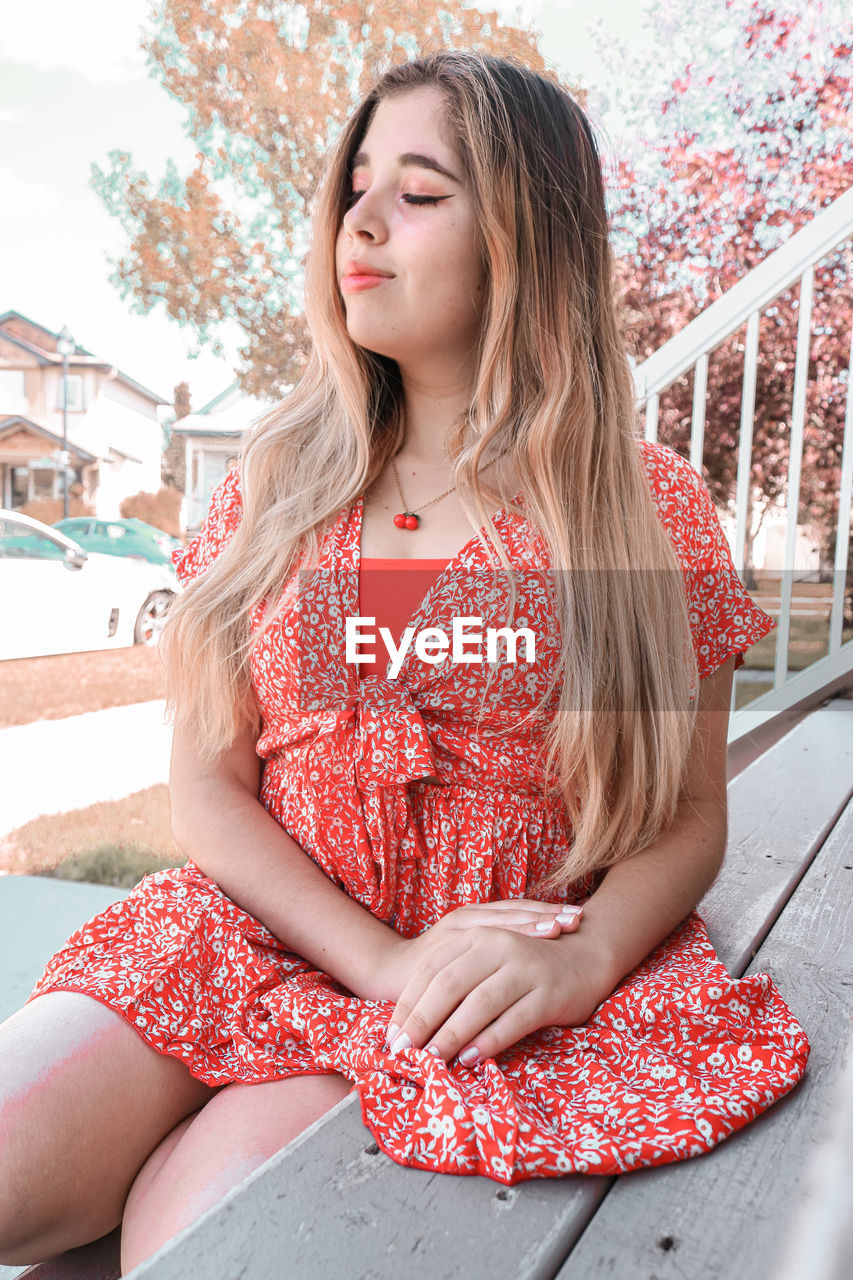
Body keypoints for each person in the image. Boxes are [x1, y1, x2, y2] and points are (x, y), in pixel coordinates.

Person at [0, 50, 808, 1274]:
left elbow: (687, 819)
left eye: (420, 193)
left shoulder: (643, 509)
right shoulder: (277, 482)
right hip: (256, 933)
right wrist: (378, 958)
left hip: (477, 997)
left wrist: (585, 956)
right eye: (356, 186)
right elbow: (208, 786)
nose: (359, 221)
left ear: (525, 235)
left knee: (199, 1237)